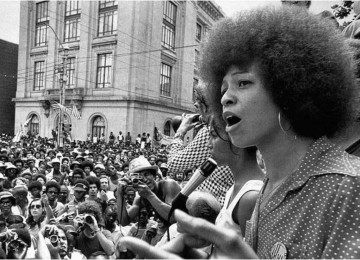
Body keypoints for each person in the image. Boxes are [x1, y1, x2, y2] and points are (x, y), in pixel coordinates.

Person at [120, 6, 360, 259]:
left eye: (243, 82)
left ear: (289, 89)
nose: (225, 98)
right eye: (222, 89)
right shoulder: (272, 184)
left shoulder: (348, 188)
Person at [167, 83, 234, 205]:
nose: (195, 104)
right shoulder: (228, 124)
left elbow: (173, 164)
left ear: (207, 105)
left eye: (197, 99)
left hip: (209, 209)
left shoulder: (208, 133)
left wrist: (180, 132)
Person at [116, 156, 180, 226]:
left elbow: (174, 218)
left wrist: (149, 195)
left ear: (154, 175)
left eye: (146, 174)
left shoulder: (169, 185)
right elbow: (124, 222)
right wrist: (119, 194)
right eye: (139, 177)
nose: (145, 179)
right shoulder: (140, 197)